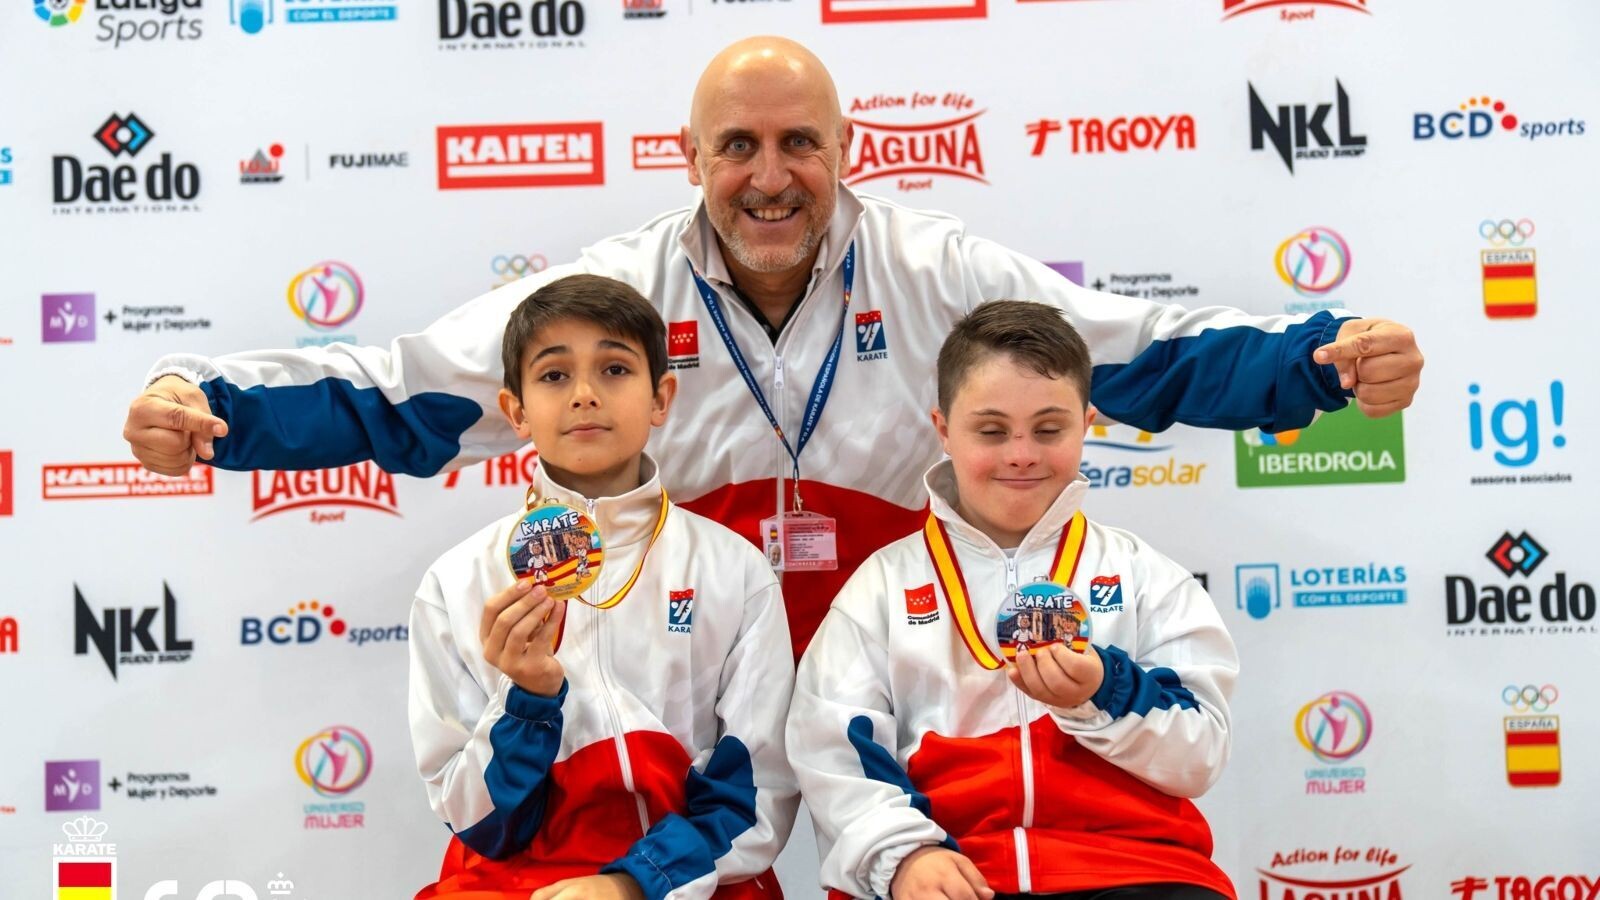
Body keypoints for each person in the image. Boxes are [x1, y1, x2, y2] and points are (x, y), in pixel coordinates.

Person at [122, 36, 1422, 656]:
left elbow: (1132, 361)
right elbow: (412, 395)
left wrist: (1320, 364)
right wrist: (215, 407)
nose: (769, 176)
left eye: (799, 142)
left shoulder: (933, 269)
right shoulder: (612, 291)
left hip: (894, 632)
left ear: (847, 151)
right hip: (687, 633)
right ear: (690, 160)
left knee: (935, 857)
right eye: (737, 146)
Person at [788, 301, 1239, 900]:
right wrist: (901, 855)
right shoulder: (882, 587)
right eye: (992, 430)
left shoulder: (1147, 577)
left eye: (1049, 429)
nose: (1021, 453)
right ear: (943, 429)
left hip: (1134, 871)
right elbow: (833, 751)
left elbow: (1200, 755)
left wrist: (1103, 692)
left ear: (1088, 421)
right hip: (952, 872)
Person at [408, 275, 796, 900]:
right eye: (555, 376)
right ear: (517, 412)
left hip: (694, 880)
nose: (585, 395)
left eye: (615, 369)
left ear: (660, 397)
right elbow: (476, 819)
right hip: (513, 881)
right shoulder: (457, 581)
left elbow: (760, 795)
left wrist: (631, 884)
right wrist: (528, 699)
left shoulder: (735, 570)